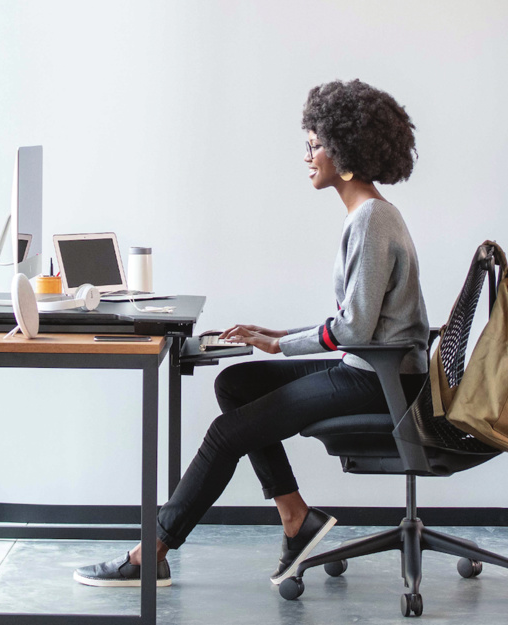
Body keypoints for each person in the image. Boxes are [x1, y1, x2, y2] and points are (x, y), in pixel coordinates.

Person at [73, 79, 429, 588]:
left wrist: (280, 344)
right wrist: (277, 333)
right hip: (373, 367)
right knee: (234, 386)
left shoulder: (371, 220)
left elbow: (354, 329)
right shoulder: (369, 214)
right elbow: (359, 322)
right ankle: (294, 516)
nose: (307, 156)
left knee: (227, 433)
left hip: (381, 380)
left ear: (345, 150)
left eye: (314, 145)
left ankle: (148, 553)